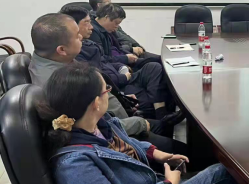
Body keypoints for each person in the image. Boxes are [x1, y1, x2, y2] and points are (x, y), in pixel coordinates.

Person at [37, 63, 249, 184]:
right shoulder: (74, 164)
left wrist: (157, 153)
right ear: (96, 103)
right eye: (107, 90)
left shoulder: (98, 124)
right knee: (222, 173)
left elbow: (128, 144)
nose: (109, 93)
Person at [28, 13, 184, 155]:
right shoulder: (61, 83)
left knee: (166, 125)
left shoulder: (56, 60)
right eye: (76, 36)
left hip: (117, 121)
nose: (81, 37)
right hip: (115, 139)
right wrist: (138, 123)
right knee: (187, 152)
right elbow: (93, 129)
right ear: (62, 49)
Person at [60, 5, 181, 125]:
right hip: (117, 85)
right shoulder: (77, 51)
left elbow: (106, 60)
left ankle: (162, 114)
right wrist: (123, 75)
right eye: (86, 22)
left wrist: (121, 66)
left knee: (154, 67)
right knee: (158, 89)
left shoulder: (91, 42)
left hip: (118, 74)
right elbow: (99, 79)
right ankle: (163, 120)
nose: (90, 26)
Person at [89, 4, 176, 120]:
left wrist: (127, 55)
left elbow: (113, 52)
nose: (117, 27)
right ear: (106, 17)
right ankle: (163, 116)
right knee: (158, 69)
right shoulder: (93, 35)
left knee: (154, 66)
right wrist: (124, 63)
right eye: (116, 23)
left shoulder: (106, 31)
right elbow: (104, 61)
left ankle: (161, 112)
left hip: (120, 69)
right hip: (118, 78)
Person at [89, 0, 159, 60]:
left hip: (125, 52)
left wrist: (135, 45)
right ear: (99, 5)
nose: (111, 4)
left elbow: (122, 37)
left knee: (159, 60)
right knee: (155, 63)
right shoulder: (99, 26)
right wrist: (130, 50)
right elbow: (106, 54)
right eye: (108, 2)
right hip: (122, 55)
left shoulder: (109, 21)